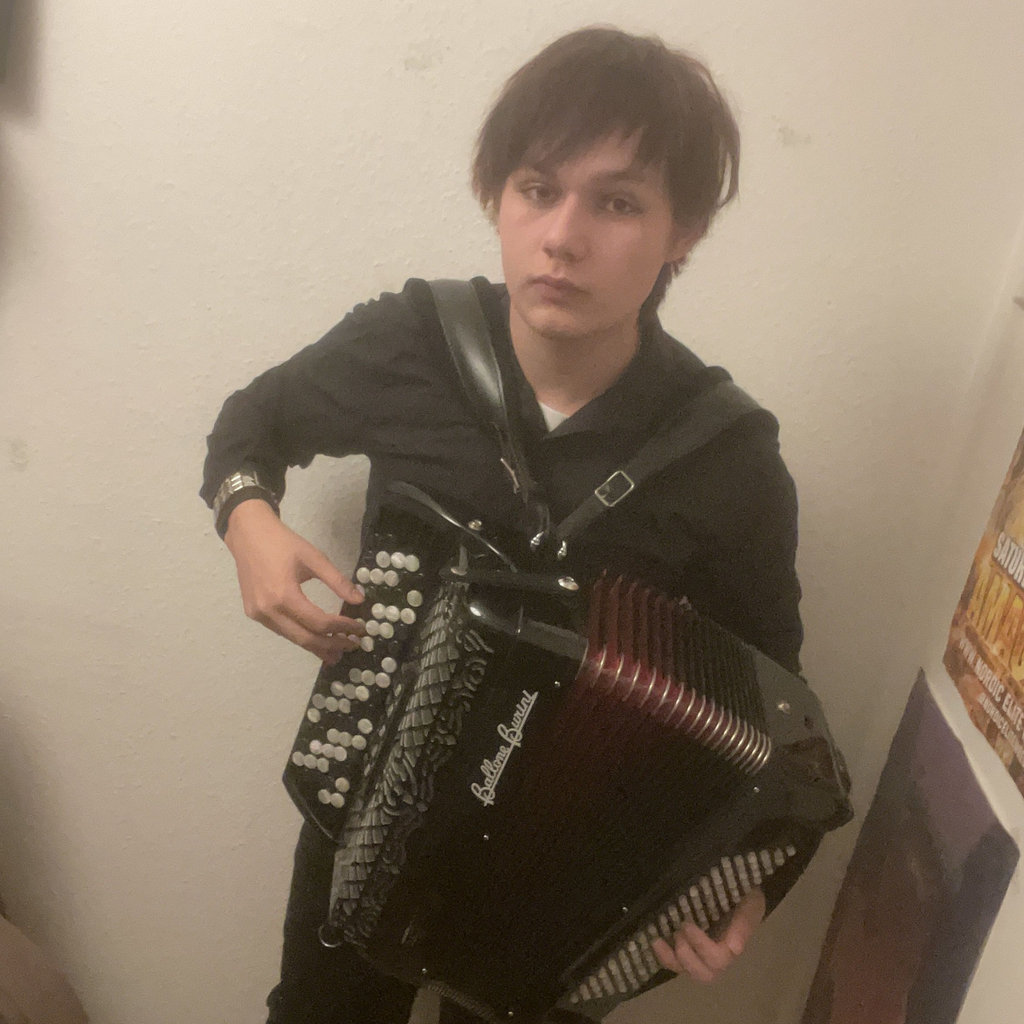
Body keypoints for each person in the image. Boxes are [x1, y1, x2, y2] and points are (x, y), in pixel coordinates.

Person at [201, 25, 806, 1024]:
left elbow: (773, 709)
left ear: (685, 231)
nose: (562, 236)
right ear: (497, 195)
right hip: (363, 795)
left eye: (617, 202)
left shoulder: (726, 457)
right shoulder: (411, 341)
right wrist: (246, 521)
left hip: (567, 866)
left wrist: (741, 878)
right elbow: (250, 427)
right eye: (537, 188)